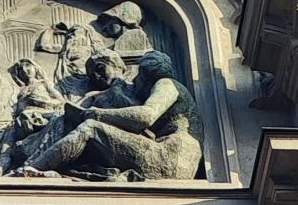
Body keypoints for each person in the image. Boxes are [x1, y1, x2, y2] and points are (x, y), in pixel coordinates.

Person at [20, 51, 200, 180]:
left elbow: (146, 116)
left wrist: (95, 114)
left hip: (170, 158)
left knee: (90, 129)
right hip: (168, 154)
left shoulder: (166, 84)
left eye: (140, 77)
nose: (136, 81)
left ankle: (30, 170)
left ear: (147, 76)